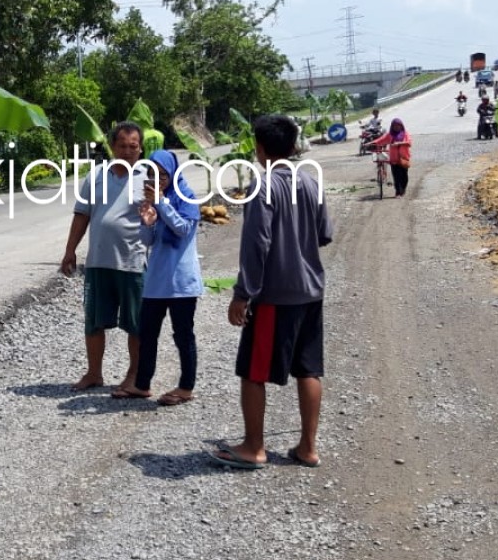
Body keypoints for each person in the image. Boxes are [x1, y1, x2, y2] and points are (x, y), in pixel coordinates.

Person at [210, 115, 333, 470]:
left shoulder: (262, 187)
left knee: (253, 371)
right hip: (311, 291)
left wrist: (242, 294)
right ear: (294, 147)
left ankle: (253, 446)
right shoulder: (311, 182)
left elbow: (256, 245)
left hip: (276, 297)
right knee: (309, 369)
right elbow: (325, 233)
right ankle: (308, 447)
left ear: (259, 149)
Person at [60, 122, 147, 394]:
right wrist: (70, 249)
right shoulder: (96, 176)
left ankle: (134, 375)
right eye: (122, 146)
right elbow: (82, 214)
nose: (128, 151)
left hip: (134, 262)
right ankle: (94, 373)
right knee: (94, 321)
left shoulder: (149, 177)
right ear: (112, 147)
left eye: (133, 146)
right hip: (98, 261)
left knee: (136, 324)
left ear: (140, 148)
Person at [133, 150, 204, 405]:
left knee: (183, 334)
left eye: (161, 174)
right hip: (157, 280)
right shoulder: (154, 201)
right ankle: (142, 384)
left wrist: (162, 203)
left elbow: (184, 229)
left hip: (181, 282)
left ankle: (186, 386)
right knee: (147, 332)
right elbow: (148, 241)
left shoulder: (186, 197)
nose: (156, 179)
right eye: (151, 174)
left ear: (172, 173)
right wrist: (147, 222)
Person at [367, 118, 413, 197]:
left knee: (404, 177)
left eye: (398, 125)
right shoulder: (390, 135)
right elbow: (381, 140)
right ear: (392, 126)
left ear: (401, 126)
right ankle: (398, 192)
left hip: (404, 159)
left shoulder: (405, 134)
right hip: (394, 159)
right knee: (396, 177)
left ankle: (403, 189)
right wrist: (371, 143)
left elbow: (409, 143)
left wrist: (399, 143)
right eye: (394, 126)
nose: (396, 127)